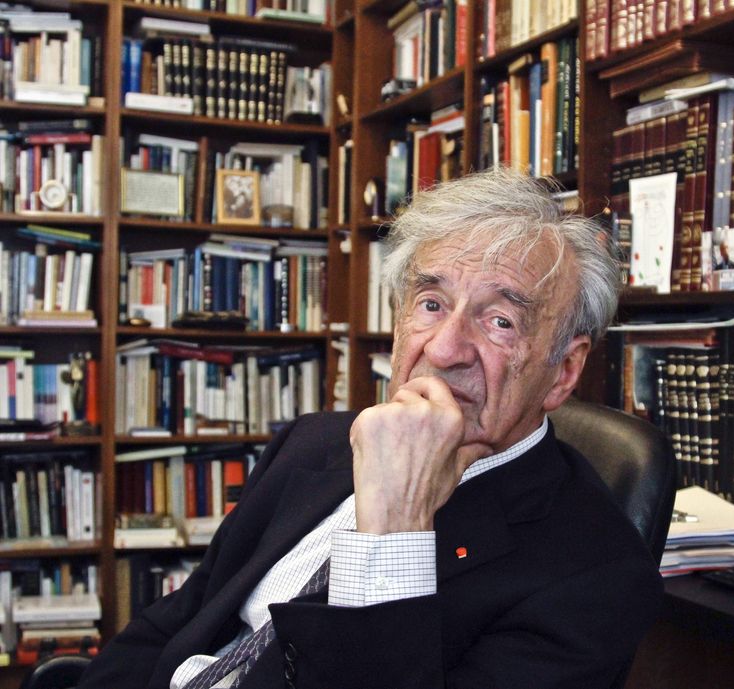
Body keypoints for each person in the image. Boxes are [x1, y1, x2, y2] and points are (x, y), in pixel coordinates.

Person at [79, 167, 663, 689]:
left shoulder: (597, 577)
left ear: (563, 371)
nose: (444, 347)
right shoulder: (315, 441)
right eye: (431, 303)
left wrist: (394, 528)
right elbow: (180, 622)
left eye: (500, 320)